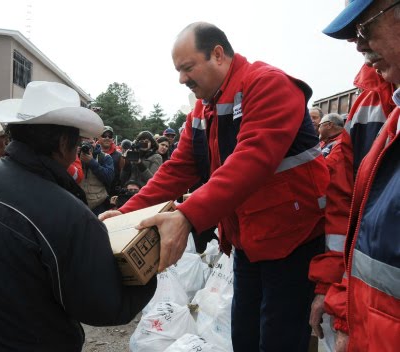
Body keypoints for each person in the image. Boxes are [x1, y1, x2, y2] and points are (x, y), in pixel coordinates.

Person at [101, 22, 329, 351]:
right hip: (248, 241)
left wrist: (187, 215)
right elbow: (179, 167)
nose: (182, 79)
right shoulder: (203, 109)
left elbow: (252, 159)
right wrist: (124, 213)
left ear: (218, 55)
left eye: (187, 68)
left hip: (293, 241)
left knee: (278, 339)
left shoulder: (268, 86)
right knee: (245, 335)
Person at [0, 81, 156, 351]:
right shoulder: (70, 214)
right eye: (77, 144)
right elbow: (104, 308)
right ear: (63, 143)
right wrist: (153, 261)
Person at [323, 1, 400, 350]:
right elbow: (355, 226)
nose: (359, 45)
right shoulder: (382, 114)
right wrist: (344, 311)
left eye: (365, 27)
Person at [308, 113, 354, 340]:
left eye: (319, 121)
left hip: (339, 267)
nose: (315, 124)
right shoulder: (328, 146)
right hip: (335, 264)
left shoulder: (341, 150)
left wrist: (328, 285)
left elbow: (340, 211)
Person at [78, 136, 114, 216]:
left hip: (98, 205)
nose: (88, 146)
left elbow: (109, 178)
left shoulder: (105, 157)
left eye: (91, 143)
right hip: (77, 204)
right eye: (84, 144)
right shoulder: (73, 156)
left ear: (95, 142)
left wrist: (91, 162)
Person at [98, 126, 123, 197]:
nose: (107, 138)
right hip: (95, 195)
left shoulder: (119, 155)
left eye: (110, 136)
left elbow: (121, 176)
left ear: (112, 139)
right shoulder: (92, 153)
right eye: (104, 136)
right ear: (99, 137)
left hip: (112, 194)